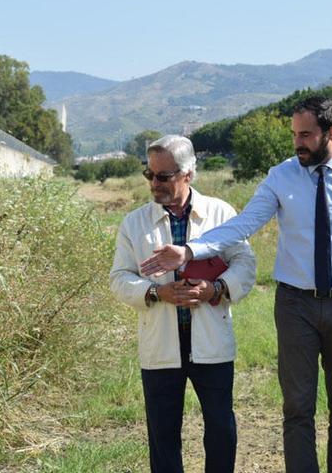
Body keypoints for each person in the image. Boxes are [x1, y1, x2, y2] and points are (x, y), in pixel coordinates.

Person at [140, 97, 332, 472]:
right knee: (297, 408)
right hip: (295, 307)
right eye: (294, 134)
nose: (298, 142)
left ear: (331, 132)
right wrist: (190, 251)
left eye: (306, 134)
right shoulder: (281, 176)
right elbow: (242, 225)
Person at [109, 135, 256, 473]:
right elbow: (119, 278)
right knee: (162, 436)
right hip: (160, 345)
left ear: (188, 174)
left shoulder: (220, 213)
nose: (154, 184)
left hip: (212, 342)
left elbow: (246, 265)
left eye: (164, 176)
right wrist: (155, 293)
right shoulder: (135, 223)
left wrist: (215, 288)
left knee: (221, 429)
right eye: (150, 175)